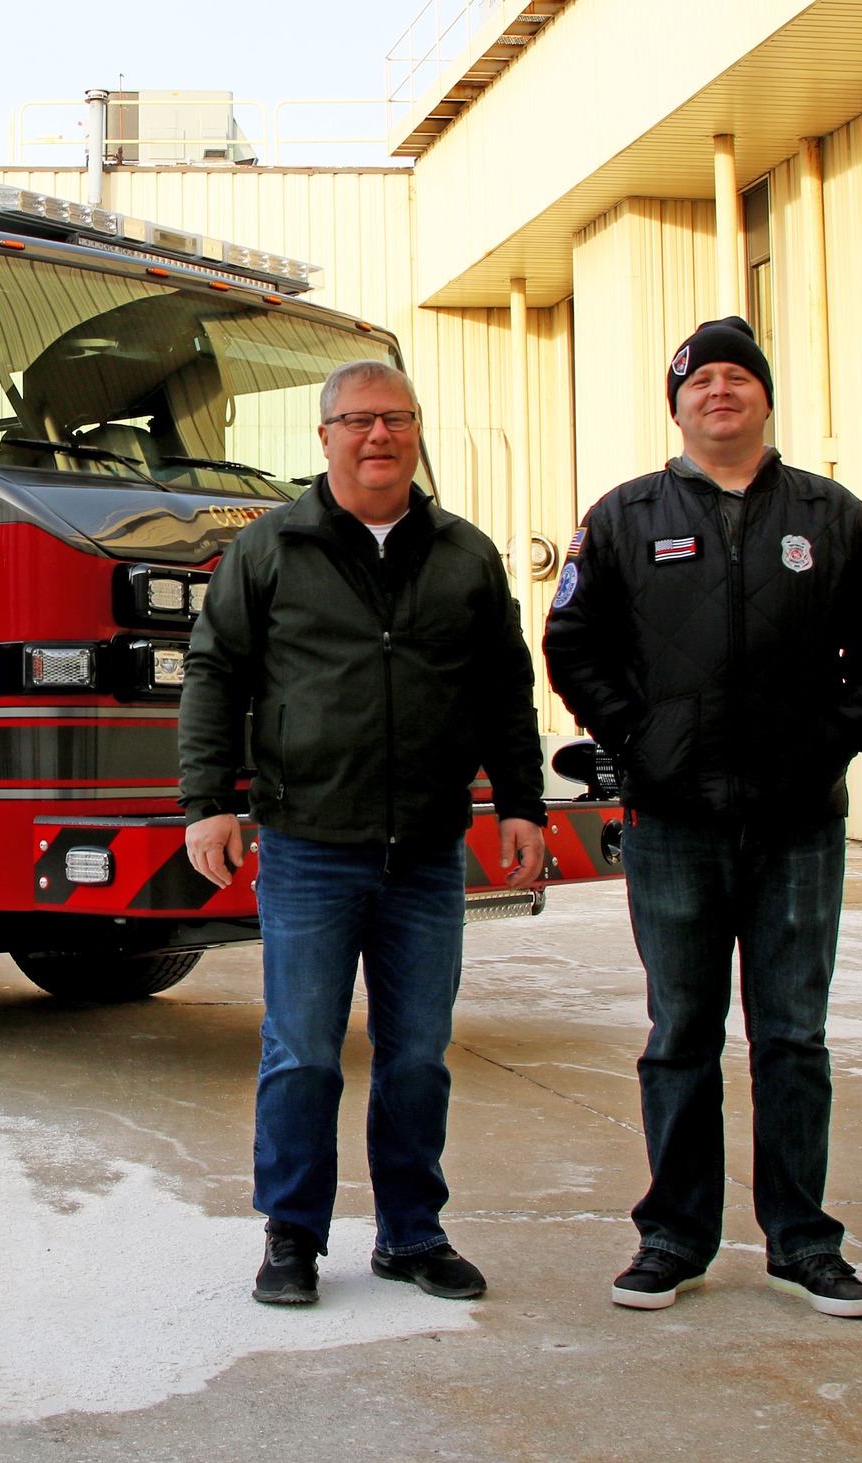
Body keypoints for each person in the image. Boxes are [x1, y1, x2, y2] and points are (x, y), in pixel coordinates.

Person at [544, 317, 862, 1319]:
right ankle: (673, 1236)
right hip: (672, 822)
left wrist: (834, 739)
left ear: (764, 397)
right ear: (675, 405)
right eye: (699, 379)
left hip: (798, 823)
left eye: (736, 376)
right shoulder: (623, 516)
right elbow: (572, 642)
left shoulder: (830, 515)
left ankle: (802, 1242)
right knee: (681, 1032)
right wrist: (639, 740)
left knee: (792, 1035)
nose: (719, 390)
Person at [180, 359, 548, 1307]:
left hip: (426, 849)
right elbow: (215, 671)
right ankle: (292, 1235)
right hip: (309, 845)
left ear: (416, 431)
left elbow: (504, 687)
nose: (378, 435)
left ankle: (411, 1232)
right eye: (358, 420)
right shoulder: (270, 547)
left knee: (417, 1053)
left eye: (396, 418)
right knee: (303, 1050)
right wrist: (207, 800)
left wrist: (522, 802)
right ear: (325, 436)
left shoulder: (465, 555)